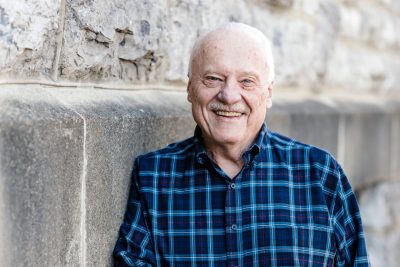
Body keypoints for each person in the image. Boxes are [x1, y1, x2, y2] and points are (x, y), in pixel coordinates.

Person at [113, 22, 370, 266]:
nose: (229, 95)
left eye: (247, 81)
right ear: (190, 88)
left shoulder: (321, 174)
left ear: (268, 93)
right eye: (213, 78)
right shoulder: (153, 176)